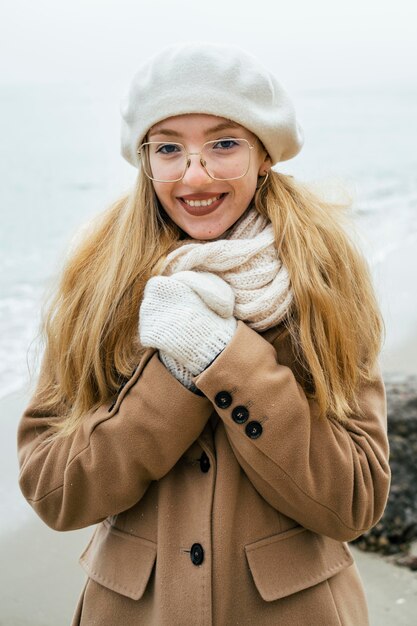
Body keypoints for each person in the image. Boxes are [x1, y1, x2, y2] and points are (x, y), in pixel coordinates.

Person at [17, 42, 390, 625]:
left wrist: (225, 358)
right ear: (145, 161)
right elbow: (55, 491)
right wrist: (173, 377)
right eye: (169, 148)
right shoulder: (98, 279)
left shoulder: (323, 274)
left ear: (264, 154)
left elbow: (354, 501)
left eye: (223, 144)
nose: (195, 173)